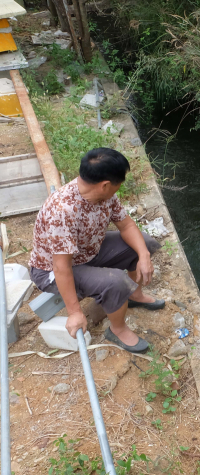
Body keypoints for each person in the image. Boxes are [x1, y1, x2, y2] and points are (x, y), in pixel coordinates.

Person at [28, 147, 165, 353]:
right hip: (53, 271)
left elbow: (126, 225)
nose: (119, 187)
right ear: (105, 185)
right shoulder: (63, 210)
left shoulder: (105, 195)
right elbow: (61, 266)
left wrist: (144, 255)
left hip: (87, 251)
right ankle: (117, 330)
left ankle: (134, 296)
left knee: (143, 244)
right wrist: (74, 312)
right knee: (115, 282)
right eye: (119, 183)